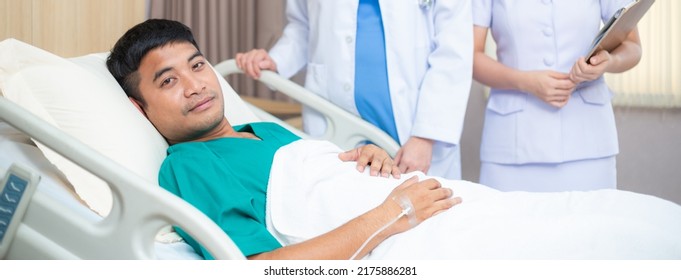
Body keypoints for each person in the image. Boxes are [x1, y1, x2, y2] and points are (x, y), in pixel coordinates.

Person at [106, 19, 681, 260]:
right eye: (167, 80)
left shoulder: (267, 132)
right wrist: (390, 214)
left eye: (198, 65)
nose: (196, 85)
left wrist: (360, 161)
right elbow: (265, 267)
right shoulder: (186, 167)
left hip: (438, 202)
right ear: (139, 107)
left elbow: (314, 181)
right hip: (408, 235)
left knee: (629, 221)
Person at [235, 0, 473, 179]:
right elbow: (302, 27)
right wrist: (275, 61)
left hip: (412, 132)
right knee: (345, 222)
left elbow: (453, 53)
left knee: (426, 229)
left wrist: (425, 137)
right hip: (338, 125)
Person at [472, 0, 643, 191]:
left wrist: (609, 60)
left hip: (588, 141)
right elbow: (472, 56)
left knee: (592, 220)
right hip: (510, 146)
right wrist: (525, 81)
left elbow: (633, 46)